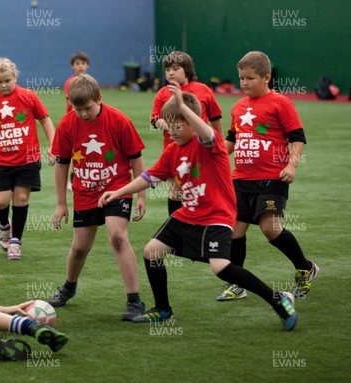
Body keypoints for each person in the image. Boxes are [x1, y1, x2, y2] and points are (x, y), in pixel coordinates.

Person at [99, 82, 298, 331]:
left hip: (216, 216)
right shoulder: (172, 151)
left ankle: (278, 300)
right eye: (168, 125)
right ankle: (163, 309)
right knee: (152, 251)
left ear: (193, 122)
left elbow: (205, 132)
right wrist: (118, 192)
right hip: (188, 214)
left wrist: (183, 106)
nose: (170, 130)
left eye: (177, 125)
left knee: (221, 267)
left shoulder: (210, 143)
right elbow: (149, 178)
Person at [217, 51, 318, 301]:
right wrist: (211, 156)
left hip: (272, 178)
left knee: (270, 229)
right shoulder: (239, 106)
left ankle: (305, 267)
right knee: (234, 231)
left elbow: (298, 138)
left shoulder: (280, 103)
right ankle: (236, 283)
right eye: (241, 78)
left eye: (250, 78)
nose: (244, 83)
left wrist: (292, 166)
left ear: (266, 77)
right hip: (240, 179)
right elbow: (232, 140)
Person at [48, 74, 147, 321]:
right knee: (80, 248)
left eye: (87, 108)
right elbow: (61, 165)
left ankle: (134, 300)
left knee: (117, 236)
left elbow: (137, 160)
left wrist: (141, 196)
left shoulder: (119, 120)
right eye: (76, 108)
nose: (82, 114)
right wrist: (61, 204)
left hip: (117, 188)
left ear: (99, 98)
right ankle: (69, 286)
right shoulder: (67, 124)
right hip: (85, 192)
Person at [0, 58, 56, 260]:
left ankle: (15, 241)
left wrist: (54, 145)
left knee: (21, 199)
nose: (3, 85)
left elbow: (44, 119)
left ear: (15, 77)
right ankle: (4, 226)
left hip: (27, 160)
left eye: (7, 80)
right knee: (1, 202)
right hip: (3, 163)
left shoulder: (28, 96)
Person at [150, 51, 223, 215]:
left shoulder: (203, 90)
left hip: (201, 151)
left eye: (175, 68)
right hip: (174, 151)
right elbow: (155, 119)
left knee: (200, 191)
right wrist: (169, 126)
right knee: (176, 193)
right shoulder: (162, 93)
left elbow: (215, 118)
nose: (170, 72)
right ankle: (176, 229)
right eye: (167, 69)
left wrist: (220, 145)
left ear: (187, 70)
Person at [64, 50, 90, 190]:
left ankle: (87, 177)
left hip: (89, 122)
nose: (80, 66)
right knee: (76, 152)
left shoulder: (90, 82)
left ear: (87, 65)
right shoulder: (70, 82)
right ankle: (72, 180)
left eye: (83, 63)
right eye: (77, 63)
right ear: (72, 66)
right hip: (75, 123)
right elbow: (74, 103)